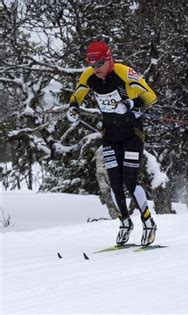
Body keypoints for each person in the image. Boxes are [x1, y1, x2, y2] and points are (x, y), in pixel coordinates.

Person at [67, 40, 158, 246]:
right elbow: (77, 96)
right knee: (114, 182)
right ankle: (125, 223)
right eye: (92, 65)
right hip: (109, 133)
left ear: (108, 59)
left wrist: (130, 104)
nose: (96, 69)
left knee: (129, 180)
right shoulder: (89, 76)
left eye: (99, 64)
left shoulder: (124, 73)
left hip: (132, 131)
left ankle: (148, 222)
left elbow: (151, 96)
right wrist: (73, 109)